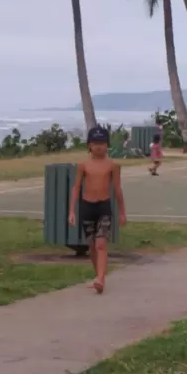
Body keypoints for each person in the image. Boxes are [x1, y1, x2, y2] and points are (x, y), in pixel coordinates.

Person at [68, 126, 126, 294]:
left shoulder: (112, 165)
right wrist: (72, 211)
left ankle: (101, 279)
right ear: (89, 145)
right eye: (95, 143)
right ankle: (97, 275)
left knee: (101, 243)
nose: (99, 146)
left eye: (102, 143)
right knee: (92, 245)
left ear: (107, 145)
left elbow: (117, 189)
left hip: (104, 206)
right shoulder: (83, 165)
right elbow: (76, 187)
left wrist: (122, 212)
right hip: (87, 206)